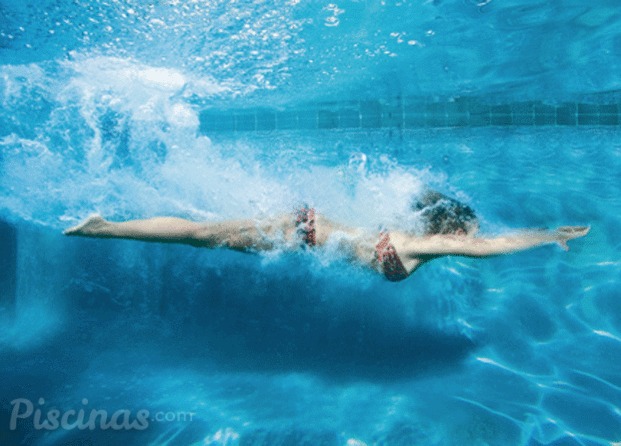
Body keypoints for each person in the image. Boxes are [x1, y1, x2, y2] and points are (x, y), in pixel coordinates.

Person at [64, 191, 590, 282]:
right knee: (201, 235)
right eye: (468, 229)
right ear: (453, 231)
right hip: (303, 233)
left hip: (306, 230)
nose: (474, 235)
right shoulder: (419, 244)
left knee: (205, 233)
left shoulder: (410, 237)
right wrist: (549, 236)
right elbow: (489, 249)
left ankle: (107, 227)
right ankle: (102, 229)